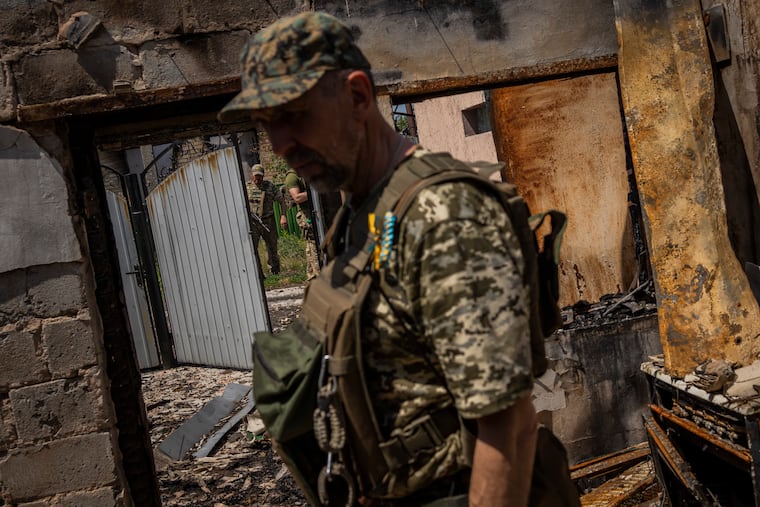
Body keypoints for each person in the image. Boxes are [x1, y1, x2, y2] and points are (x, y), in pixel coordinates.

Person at [220, 11, 578, 507]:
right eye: (266, 124)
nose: (280, 145)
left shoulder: (444, 216)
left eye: (295, 115)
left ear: (358, 96)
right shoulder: (362, 208)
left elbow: (509, 429)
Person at [246, 163, 287, 276]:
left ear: (263, 175)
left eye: (259, 175)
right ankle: (258, 275)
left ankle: (275, 272)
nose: (257, 178)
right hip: (253, 223)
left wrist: (283, 216)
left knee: (272, 247)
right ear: (251, 175)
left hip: (268, 221)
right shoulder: (246, 187)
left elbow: (282, 201)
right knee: (253, 249)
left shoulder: (270, 186)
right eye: (255, 175)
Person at [284, 168, 320, 280]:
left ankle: (312, 276)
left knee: (311, 246)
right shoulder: (292, 176)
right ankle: (318, 275)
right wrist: (316, 192)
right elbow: (297, 198)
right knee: (314, 245)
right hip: (307, 217)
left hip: (314, 214)